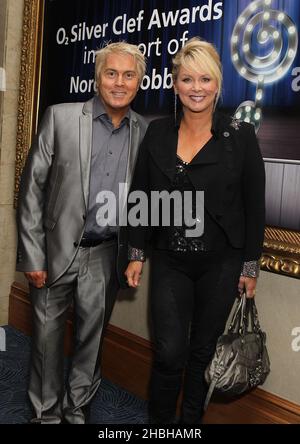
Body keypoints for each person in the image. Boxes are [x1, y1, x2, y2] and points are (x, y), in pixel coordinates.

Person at [125, 37, 265, 424]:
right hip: (170, 260)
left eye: (205, 79)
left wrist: (250, 269)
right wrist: (136, 254)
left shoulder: (240, 136)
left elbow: (255, 207)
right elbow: (140, 196)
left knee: (203, 353)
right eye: (188, 79)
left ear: (217, 84)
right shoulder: (157, 134)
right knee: (169, 352)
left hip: (222, 264)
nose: (197, 88)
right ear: (175, 84)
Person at [16, 42, 147, 424]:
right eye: (111, 73)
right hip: (54, 250)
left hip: (105, 254)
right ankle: (45, 415)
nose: (119, 83)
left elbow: (144, 200)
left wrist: (137, 254)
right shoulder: (60, 117)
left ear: (140, 81)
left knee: (91, 343)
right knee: (45, 341)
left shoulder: (146, 133)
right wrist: (33, 255)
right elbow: (32, 190)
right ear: (97, 77)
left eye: (128, 75)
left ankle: (76, 413)